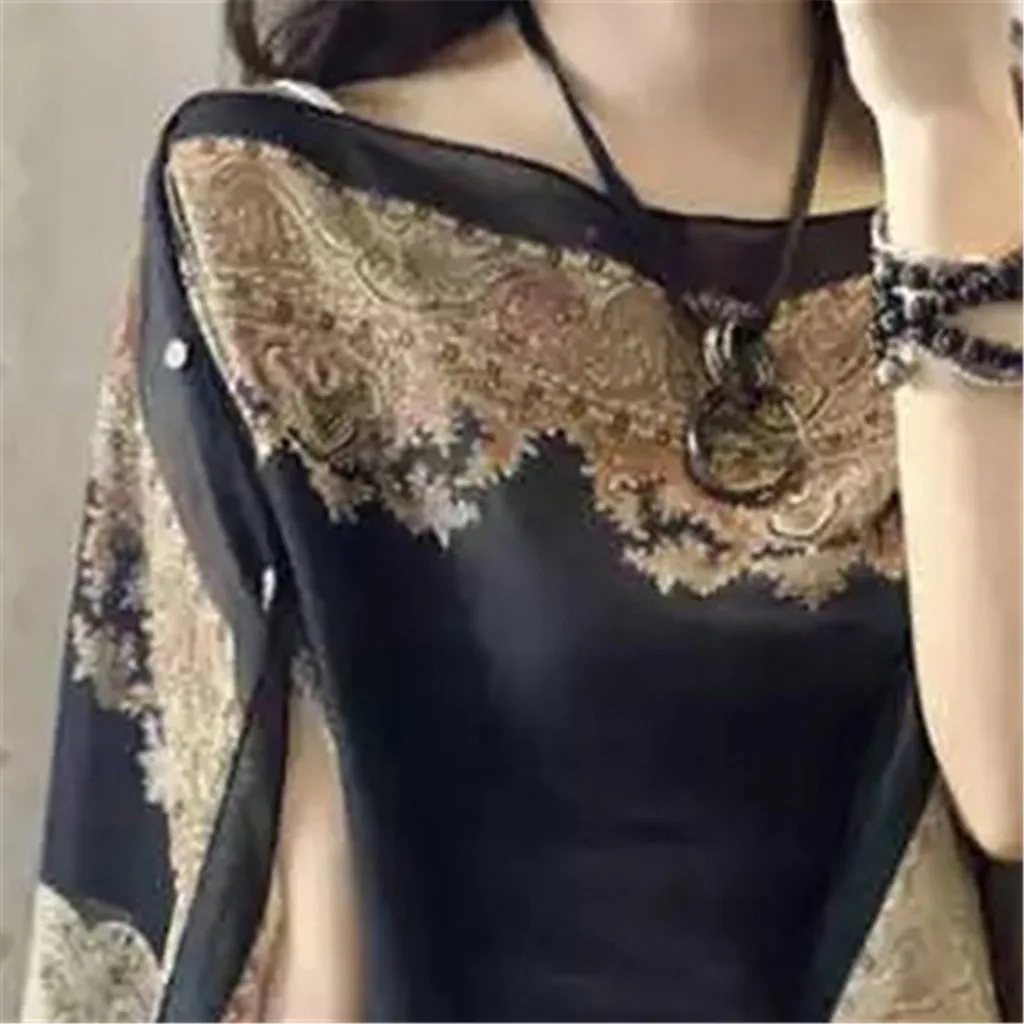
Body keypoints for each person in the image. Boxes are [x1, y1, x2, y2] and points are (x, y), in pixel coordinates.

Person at [20, 0, 1023, 1020]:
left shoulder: (985, 165)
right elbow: (299, 954)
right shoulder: (286, 221)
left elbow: (1011, 789)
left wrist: (949, 124)